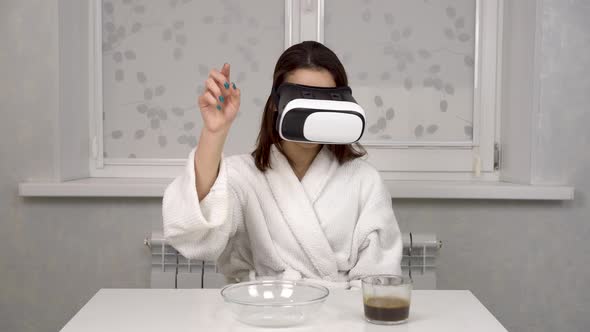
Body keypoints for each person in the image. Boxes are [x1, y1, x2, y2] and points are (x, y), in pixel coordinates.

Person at [162, 41, 402, 289]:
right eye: (303, 99)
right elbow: (193, 233)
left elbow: (379, 279)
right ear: (277, 103)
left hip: (340, 316)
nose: (313, 112)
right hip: (261, 312)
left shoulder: (365, 180)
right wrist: (214, 132)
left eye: (325, 101)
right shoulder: (243, 176)